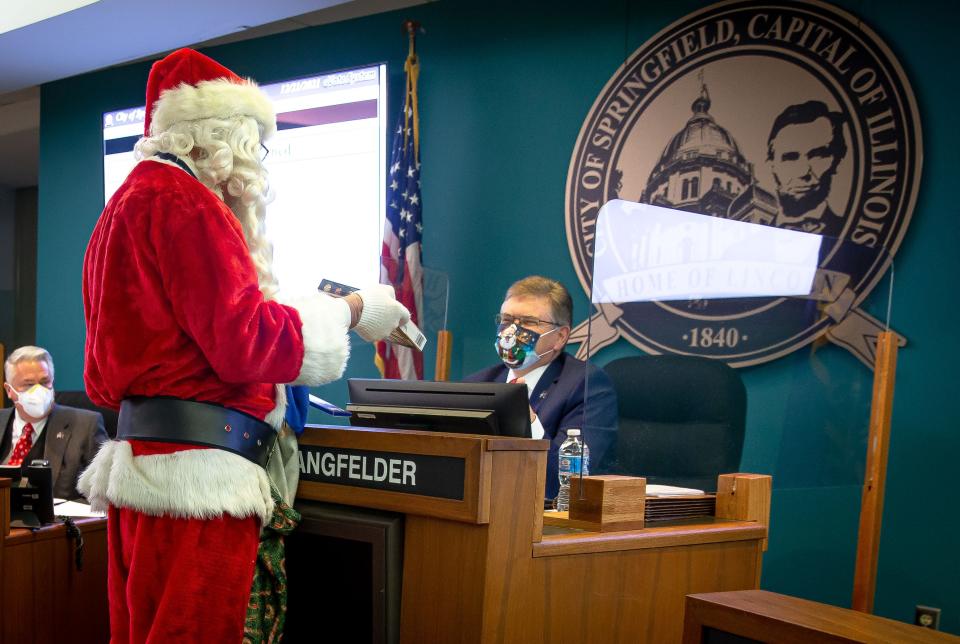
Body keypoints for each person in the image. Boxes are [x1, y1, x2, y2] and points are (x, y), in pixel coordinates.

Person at [78, 48, 409, 643]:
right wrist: (353, 310)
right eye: (253, 141)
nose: (256, 160)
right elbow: (245, 342)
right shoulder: (188, 203)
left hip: (144, 472)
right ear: (220, 134)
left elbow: (106, 375)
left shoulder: (123, 207)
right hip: (198, 488)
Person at [464, 276, 617, 499]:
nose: (512, 331)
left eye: (528, 322)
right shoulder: (477, 384)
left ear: (560, 337)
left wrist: (529, 423)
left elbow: (567, 484)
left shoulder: (586, 385)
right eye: (507, 319)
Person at [2, 345, 107, 500]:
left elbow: (104, 495)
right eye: (29, 384)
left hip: (55, 522)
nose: (38, 391)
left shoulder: (86, 426)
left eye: (45, 382)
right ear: (9, 390)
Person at [767, 100, 848, 237]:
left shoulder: (852, 235)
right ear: (772, 165)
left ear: (836, 161)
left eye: (818, 155)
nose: (803, 172)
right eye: (790, 157)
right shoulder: (744, 246)